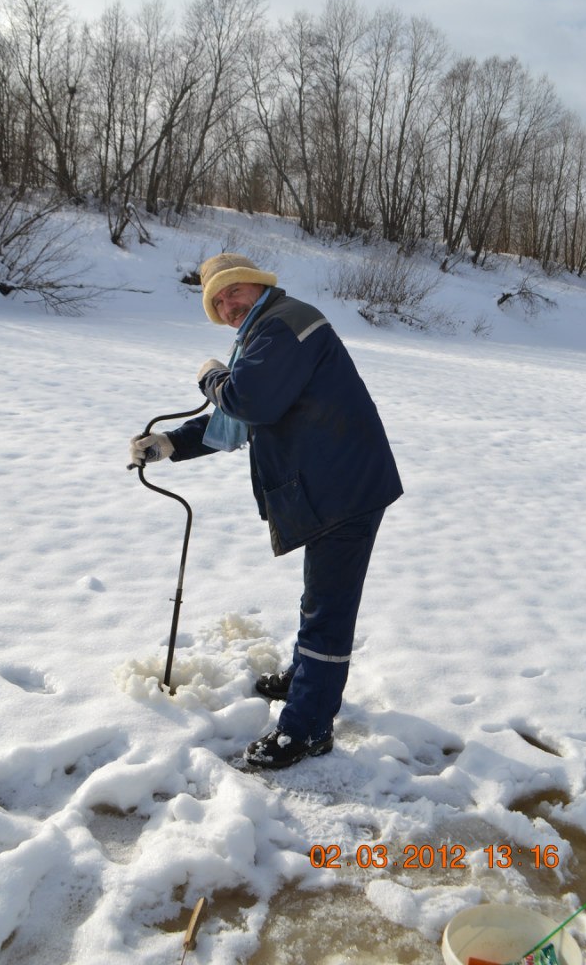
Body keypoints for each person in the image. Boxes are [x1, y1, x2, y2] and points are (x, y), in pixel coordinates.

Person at [130, 253, 402, 769]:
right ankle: (306, 681)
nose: (228, 304)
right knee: (319, 599)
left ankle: (307, 729)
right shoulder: (265, 331)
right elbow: (235, 421)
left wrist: (211, 377)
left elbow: (245, 401)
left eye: (235, 291)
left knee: (328, 611)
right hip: (332, 483)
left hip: (343, 487)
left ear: (258, 284)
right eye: (217, 300)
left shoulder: (285, 326)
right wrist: (169, 443)